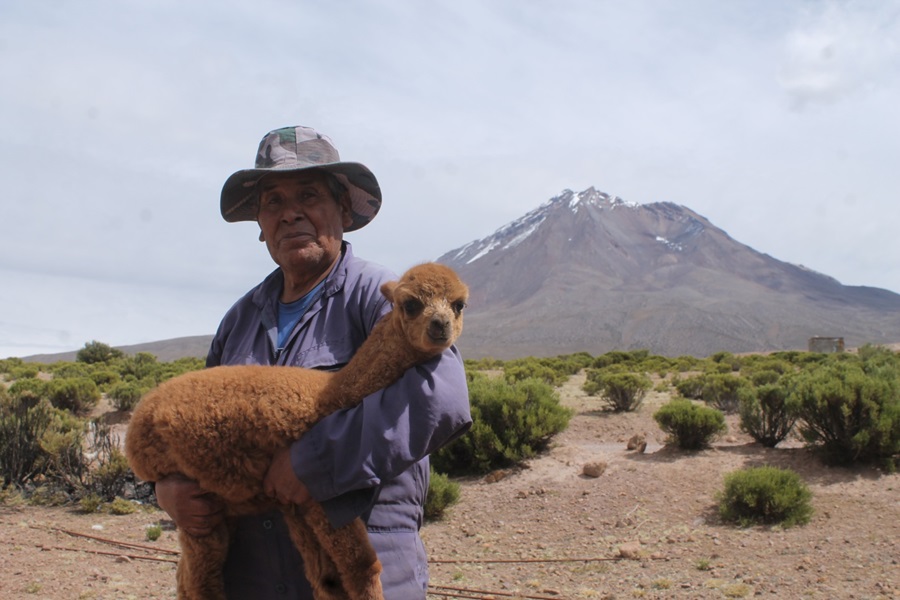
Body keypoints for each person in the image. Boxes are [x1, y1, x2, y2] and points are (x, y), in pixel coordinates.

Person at [154, 125, 472, 599]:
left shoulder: (386, 297)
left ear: (342, 209)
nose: (290, 213)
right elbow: (192, 426)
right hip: (251, 580)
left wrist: (316, 461)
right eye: (273, 202)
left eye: (309, 194)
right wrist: (168, 489)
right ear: (259, 226)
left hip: (362, 575)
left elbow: (441, 397)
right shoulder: (239, 320)